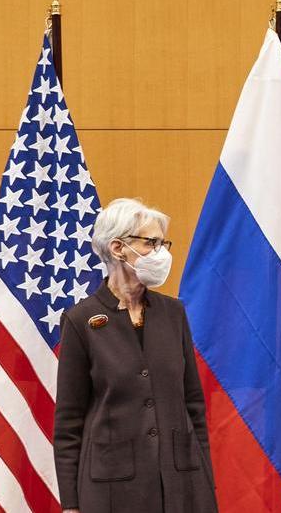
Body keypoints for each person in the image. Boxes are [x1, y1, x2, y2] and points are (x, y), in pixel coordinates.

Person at [53, 198, 217, 513]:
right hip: (112, 488)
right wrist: (71, 505)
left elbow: (193, 405)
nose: (161, 253)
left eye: (163, 243)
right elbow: (68, 421)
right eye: (151, 242)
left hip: (180, 482)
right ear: (118, 248)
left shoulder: (173, 313)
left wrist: (205, 484)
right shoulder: (80, 320)